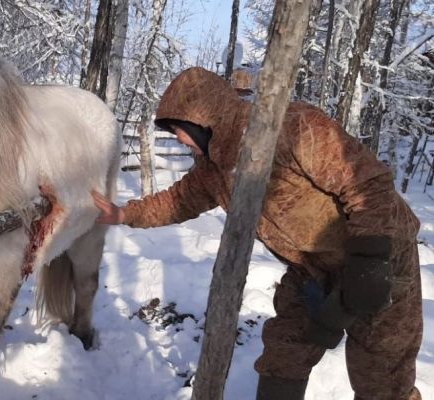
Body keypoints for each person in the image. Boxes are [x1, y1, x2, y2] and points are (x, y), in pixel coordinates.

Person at [93, 67, 422, 400]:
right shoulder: (214, 169)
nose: (178, 139)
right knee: (284, 352)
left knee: (382, 379)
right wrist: (124, 213)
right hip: (312, 270)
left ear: (204, 120)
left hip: (383, 257)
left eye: (180, 129)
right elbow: (177, 201)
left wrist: (371, 260)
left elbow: (367, 181)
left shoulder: (293, 127)